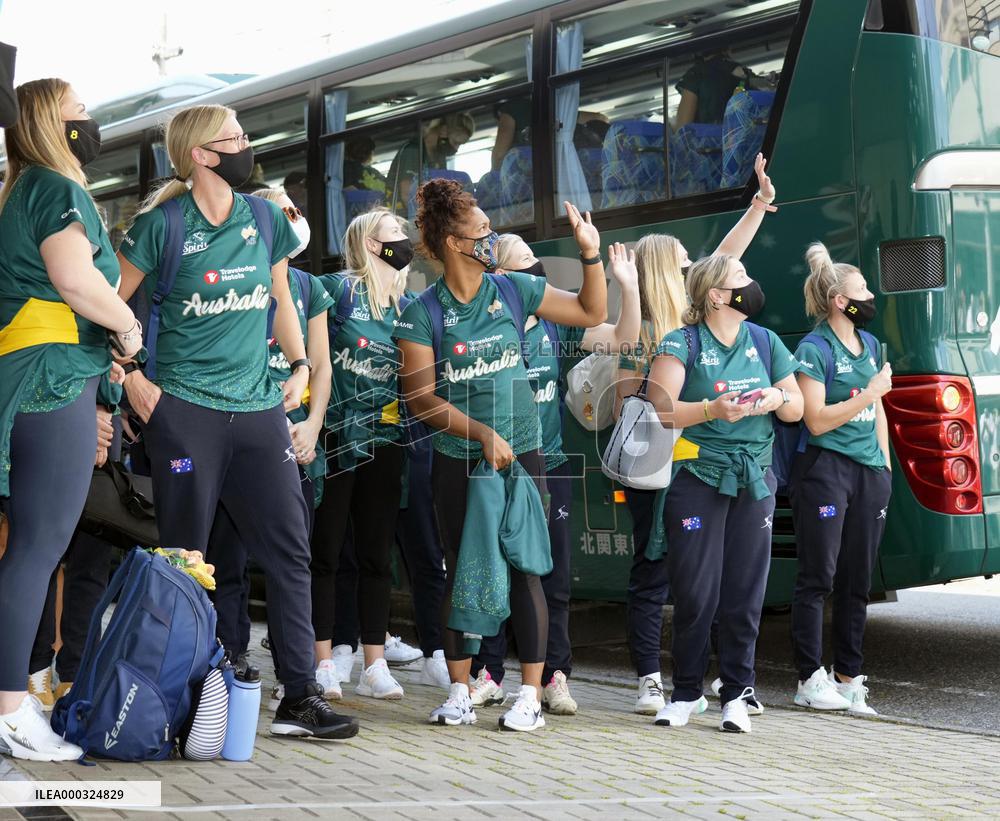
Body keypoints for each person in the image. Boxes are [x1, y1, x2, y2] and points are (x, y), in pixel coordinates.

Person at [115, 103, 356, 741]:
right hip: (185, 413)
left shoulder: (265, 217)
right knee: (185, 560)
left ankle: (300, 697)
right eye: (236, 138)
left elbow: (279, 297)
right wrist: (135, 380)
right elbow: (107, 308)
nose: (248, 146)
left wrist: (301, 365)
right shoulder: (161, 226)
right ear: (200, 154)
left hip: (258, 412)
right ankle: (182, 702)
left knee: (291, 552)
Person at [394, 179, 607, 732]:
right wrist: (480, 433)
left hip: (525, 455)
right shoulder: (422, 313)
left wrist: (590, 253)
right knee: (461, 569)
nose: (493, 238)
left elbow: (590, 310)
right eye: (482, 231)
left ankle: (530, 695)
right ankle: (460, 691)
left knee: (525, 569)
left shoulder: (513, 290)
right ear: (452, 242)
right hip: (457, 459)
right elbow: (420, 399)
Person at [0, 78, 141, 761]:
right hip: (54, 383)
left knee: (27, 547)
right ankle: (12, 709)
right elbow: (78, 282)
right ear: (53, 125)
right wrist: (127, 327)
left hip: (35, 374)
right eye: (80, 113)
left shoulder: (17, 191)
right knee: (38, 548)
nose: (92, 121)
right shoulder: (58, 190)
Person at [616, 153, 776, 717]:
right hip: (668, 459)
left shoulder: (714, 317)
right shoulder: (660, 326)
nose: (695, 263)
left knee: (718, 578)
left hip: (705, 458)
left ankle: (730, 682)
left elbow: (729, 258)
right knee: (666, 572)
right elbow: (652, 400)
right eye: (685, 259)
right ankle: (656, 679)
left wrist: (757, 204)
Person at [468, 235, 640, 715]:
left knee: (553, 575)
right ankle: (490, 672)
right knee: (497, 571)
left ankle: (554, 676)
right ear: (501, 275)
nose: (538, 269)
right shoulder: (483, 324)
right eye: (527, 262)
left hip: (552, 466)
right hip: (497, 465)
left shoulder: (554, 324)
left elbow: (624, 339)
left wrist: (627, 287)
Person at [638, 251, 803, 734]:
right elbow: (662, 409)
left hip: (755, 479)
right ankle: (686, 692)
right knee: (695, 591)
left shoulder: (765, 340)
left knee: (745, 594)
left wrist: (777, 398)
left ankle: (736, 694)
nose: (752, 284)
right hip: (698, 478)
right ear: (715, 295)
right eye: (741, 278)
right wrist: (713, 409)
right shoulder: (681, 341)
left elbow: (795, 408)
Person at [206, 185, 333, 694]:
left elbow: (320, 365)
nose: (292, 218)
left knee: (291, 557)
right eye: (282, 211)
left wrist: (313, 423)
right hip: (241, 430)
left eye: (295, 210)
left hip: (296, 438)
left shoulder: (308, 287)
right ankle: (229, 658)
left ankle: (293, 670)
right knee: (226, 560)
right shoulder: (234, 278)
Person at [310, 207, 412, 701]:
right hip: (333, 436)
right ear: (371, 244)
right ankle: (323, 662)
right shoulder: (337, 291)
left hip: (386, 440)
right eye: (395, 233)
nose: (405, 239)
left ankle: (374, 664)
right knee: (326, 552)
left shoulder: (410, 306)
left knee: (377, 556)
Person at [789, 242, 893, 715]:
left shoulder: (869, 345)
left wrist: (884, 466)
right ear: (838, 300)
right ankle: (809, 679)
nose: (870, 296)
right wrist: (868, 392)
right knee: (818, 578)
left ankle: (848, 678)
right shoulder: (813, 348)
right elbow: (815, 419)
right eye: (862, 290)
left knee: (857, 580)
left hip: (867, 473)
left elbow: (879, 412)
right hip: (825, 470)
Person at [387, 113, 475, 214]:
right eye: (456, 142)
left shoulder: (439, 157)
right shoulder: (413, 151)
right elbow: (407, 195)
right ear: (443, 131)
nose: (456, 149)